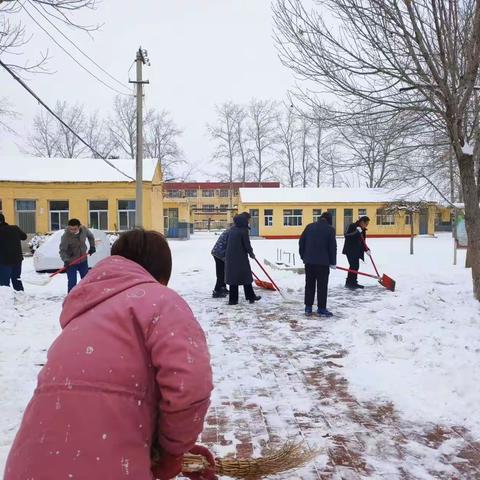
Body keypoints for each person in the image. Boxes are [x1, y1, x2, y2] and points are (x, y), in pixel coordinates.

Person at [4, 229, 216, 480]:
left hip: (28, 465)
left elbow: (93, 399)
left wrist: (164, 446)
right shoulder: (161, 300)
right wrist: (173, 451)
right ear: (160, 275)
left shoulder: (84, 310)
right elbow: (189, 385)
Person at [299, 211, 337, 317]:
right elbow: (332, 247)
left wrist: (303, 256)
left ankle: (308, 307)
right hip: (323, 264)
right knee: (322, 286)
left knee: (309, 285)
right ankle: (321, 308)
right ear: (329, 220)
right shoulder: (330, 229)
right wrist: (333, 262)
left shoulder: (309, 227)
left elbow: (301, 242)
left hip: (309, 262)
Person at [224, 213, 261, 305]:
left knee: (233, 278)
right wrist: (251, 253)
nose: (248, 222)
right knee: (246, 277)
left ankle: (233, 300)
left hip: (230, 257)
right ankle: (250, 296)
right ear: (244, 220)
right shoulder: (243, 230)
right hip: (240, 258)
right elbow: (247, 244)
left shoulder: (232, 229)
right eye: (248, 220)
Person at [59, 218, 96, 293]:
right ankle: (71, 299)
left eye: (75, 229)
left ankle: (87, 297)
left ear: (79, 227)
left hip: (83, 261)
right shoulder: (66, 236)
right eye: (71, 229)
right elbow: (62, 250)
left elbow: (90, 236)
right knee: (72, 283)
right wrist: (66, 260)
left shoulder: (84, 230)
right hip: (71, 262)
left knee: (85, 281)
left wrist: (92, 246)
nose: (72, 231)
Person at [0, 213, 27, 291]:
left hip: (4, 262)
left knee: (4, 283)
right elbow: (24, 237)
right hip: (17, 260)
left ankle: (6, 300)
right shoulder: (15, 228)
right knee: (16, 279)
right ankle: (21, 297)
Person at [342, 215, 371, 289]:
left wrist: (367, 249)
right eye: (366, 224)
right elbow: (347, 236)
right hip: (350, 250)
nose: (366, 225)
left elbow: (363, 241)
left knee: (355, 266)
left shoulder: (363, 230)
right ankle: (350, 283)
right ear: (361, 222)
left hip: (357, 251)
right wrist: (356, 232)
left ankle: (352, 282)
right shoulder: (352, 226)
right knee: (353, 266)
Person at [210, 227, 230, 298]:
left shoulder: (230, 230)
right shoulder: (232, 232)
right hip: (219, 254)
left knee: (223, 272)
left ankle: (223, 288)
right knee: (221, 273)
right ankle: (217, 291)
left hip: (218, 252)